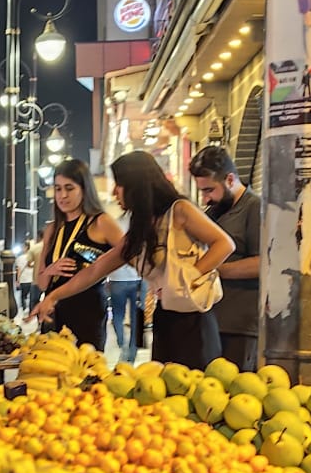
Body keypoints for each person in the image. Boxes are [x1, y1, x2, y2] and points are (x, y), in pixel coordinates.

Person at [34, 150, 233, 366]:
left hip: (195, 320)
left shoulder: (180, 210)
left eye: (118, 184)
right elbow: (95, 270)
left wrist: (186, 278)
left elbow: (224, 244)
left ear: (136, 185)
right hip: (164, 317)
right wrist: (53, 297)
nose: (113, 192)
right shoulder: (142, 228)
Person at [33, 159, 123, 352]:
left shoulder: (101, 222)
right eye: (57, 189)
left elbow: (129, 254)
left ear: (84, 189)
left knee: (85, 371)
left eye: (69, 188)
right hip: (53, 311)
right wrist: (51, 269)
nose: (62, 196)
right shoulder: (52, 228)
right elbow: (41, 283)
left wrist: (101, 267)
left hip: (87, 311)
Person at [191, 144, 263, 372]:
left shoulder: (255, 208)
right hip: (210, 320)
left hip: (240, 325)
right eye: (202, 191)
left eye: (209, 190)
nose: (205, 199)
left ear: (230, 179)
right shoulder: (213, 211)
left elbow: (263, 264)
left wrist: (211, 268)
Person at [108, 253, 144, 363]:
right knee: (136, 317)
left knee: (118, 315)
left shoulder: (111, 235)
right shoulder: (139, 236)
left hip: (117, 278)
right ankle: (132, 351)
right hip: (138, 277)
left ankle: (121, 343)